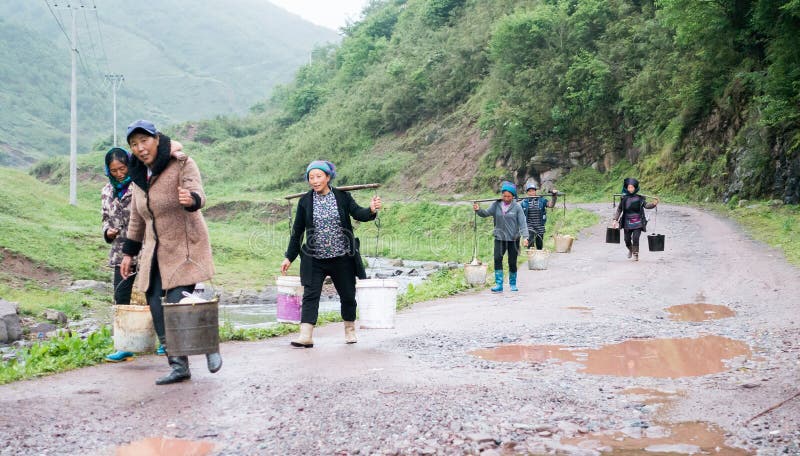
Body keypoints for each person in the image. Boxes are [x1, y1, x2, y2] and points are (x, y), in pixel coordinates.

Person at [119, 119, 221, 385]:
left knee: (177, 302)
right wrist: (129, 254)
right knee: (156, 304)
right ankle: (178, 365)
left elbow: (198, 193)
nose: (140, 148)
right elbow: (136, 219)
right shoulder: (138, 177)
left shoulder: (182, 162)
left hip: (186, 246)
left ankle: (209, 344)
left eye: (144, 141)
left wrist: (191, 200)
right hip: (155, 251)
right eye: (134, 144)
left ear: (156, 139)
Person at [280, 160, 382, 348]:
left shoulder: (342, 197)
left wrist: (372, 210)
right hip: (314, 258)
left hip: (342, 257)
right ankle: (306, 335)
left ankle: (350, 329)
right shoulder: (305, 202)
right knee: (310, 295)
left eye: (319, 176)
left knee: (348, 295)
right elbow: (297, 231)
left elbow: (358, 213)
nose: (315, 181)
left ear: (328, 177)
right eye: (311, 177)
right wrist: (289, 257)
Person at [102, 145, 184, 363]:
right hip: (121, 252)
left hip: (147, 248)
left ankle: (163, 342)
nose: (120, 173)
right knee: (121, 295)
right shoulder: (106, 191)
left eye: (123, 168)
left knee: (155, 294)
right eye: (115, 171)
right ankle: (125, 345)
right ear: (108, 171)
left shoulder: (141, 185)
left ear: (129, 165)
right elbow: (105, 219)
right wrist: (108, 233)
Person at [473, 181, 529, 292]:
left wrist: (525, 237)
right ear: (501, 195)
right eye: (504, 196)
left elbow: (523, 223)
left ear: (513, 196)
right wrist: (478, 210)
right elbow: (485, 213)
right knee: (497, 259)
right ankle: (499, 284)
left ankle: (513, 284)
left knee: (512, 261)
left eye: (509, 196)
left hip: (513, 239)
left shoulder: (517, 207)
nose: (506, 198)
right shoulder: (496, 205)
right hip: (499, 238)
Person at [613, 177, 659, 261]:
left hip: (638, 221)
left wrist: (653, 204)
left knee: (635, 238)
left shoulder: (640, 198)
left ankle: (635, 253)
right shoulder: (623, 198)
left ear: (635, 188)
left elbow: (646, 205)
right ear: (626, 188)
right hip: (627, 221)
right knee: (626, 239)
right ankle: (631, 249)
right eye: (629, 187)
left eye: (632, 187)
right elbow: (619, 209)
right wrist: (615, 219)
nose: (630, 189)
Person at [520, 182, 557, 250]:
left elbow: (551, 205)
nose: (531, 192)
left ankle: (539, 258)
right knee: (530, 244)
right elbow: (517, 211)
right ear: (527, 192)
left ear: (535, 191)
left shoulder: (542, 200)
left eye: (533, 190)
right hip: (529, 226)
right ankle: (531, 258)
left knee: (539, 244)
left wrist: (554, 196)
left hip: (540, 226)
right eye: (530, 191)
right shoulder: (523, 202)